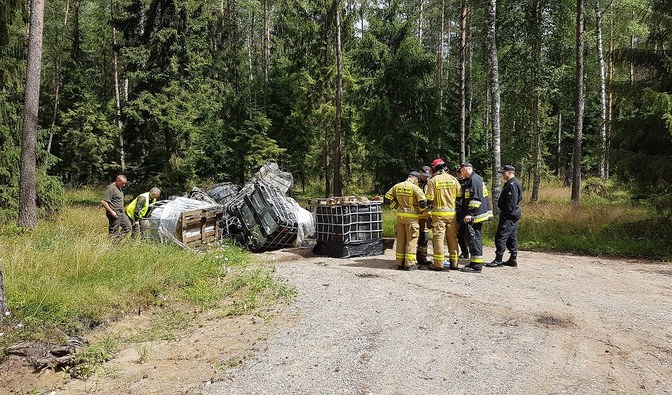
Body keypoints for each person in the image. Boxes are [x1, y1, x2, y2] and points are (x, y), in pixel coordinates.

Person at [385, 171, 428, 271]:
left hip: (400, 218)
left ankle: (399, 263)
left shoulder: (397, 186)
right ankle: (410, 264)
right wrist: (421, 211)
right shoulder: (415, 188)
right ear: (416, 179)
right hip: (412, 219)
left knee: (401, 240)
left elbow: (387, 198)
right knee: (411, 240)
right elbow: (423, 202)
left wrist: (396, 207)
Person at [425, 158, 462, 271]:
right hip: (452, 214)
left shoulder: (433, 181)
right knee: (452, 238)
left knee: (438, 239)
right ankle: (454, 263)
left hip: (438, 215)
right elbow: (459, 195)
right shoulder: (454, 180)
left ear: (434, 168)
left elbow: (429, 199)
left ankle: (438, 264)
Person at [458, 163, 493, 273]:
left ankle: (477, 266)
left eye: (461, 170)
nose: (460, 172)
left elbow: (475, 199)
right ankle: (474, 262)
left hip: (476, 215)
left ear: (465, 169)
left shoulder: (474, 179)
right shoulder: (472, 179)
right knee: (472, 238)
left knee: (474, 239)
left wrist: (470, 214)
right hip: (475, 215)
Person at [487, 165, 522, 268]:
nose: (502, 174)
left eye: (504, 172)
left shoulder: (512, 184)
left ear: (510, 172)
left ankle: (498, 259)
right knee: (512, 236)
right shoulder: (511, 183)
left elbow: (512, 202)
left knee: (501, 236)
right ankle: (513, 258)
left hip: (509, 214)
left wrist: (507, 212)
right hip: (512, 214)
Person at [416, 165, 432, 265]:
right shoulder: (414, 183)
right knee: (413, 237)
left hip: (426, 215)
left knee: (424, 238)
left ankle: (422, 258)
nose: (426, 177)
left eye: (427, 175)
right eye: (424, 175)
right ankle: (411, 258)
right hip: (415, 215)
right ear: (420, 172)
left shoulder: (430, 183)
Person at [455, 165, 470, 260]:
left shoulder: (468, 182)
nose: (459, 175)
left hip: (466, 210)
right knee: (459, 234)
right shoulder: (455, 182)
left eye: (460, 172)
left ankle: (470, 252)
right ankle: (464, 252)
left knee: (467, 234)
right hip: (458, 210)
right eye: (458, 173)